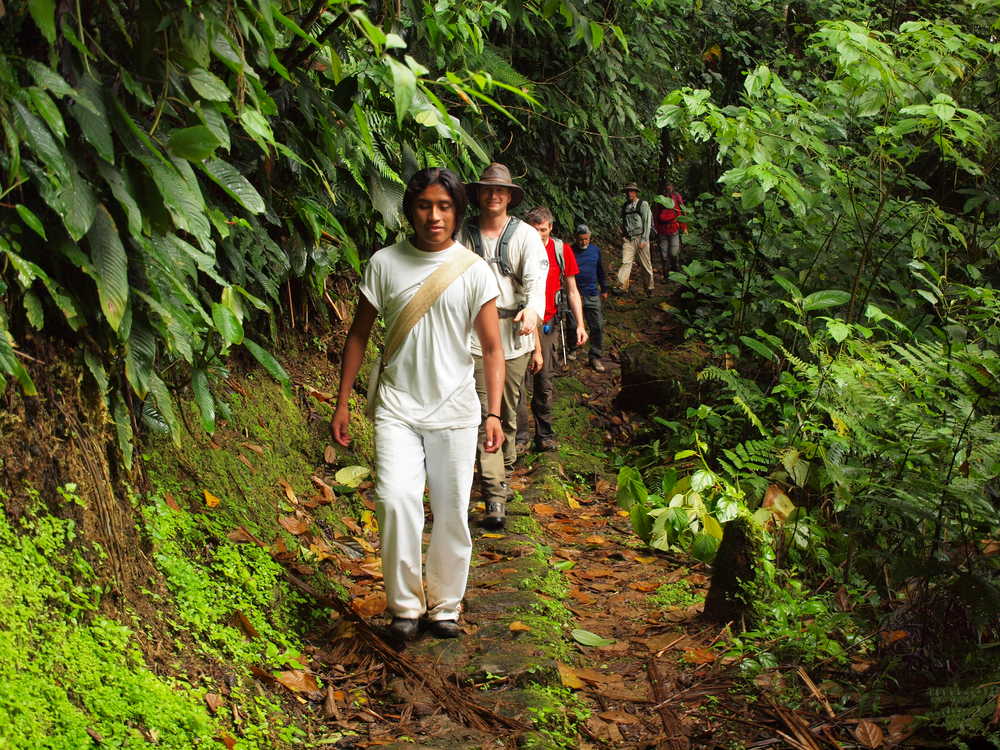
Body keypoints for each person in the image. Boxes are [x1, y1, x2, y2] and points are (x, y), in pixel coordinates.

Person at [331, 167, 505, 642]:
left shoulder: (473, 270)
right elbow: (359, 334)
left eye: (444, 206)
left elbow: (492, 348)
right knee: (395, 499)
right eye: (425, 205)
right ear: (410, 210)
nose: (434, 215)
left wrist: (493, 412)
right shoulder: (385, 263)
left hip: (455, 409)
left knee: (450, 509)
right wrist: (342, 402)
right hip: (397, 407)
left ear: (457, 213)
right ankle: (405, 606)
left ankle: (445, 606)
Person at [462, 163, 547, 529]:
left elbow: (537, 282)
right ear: (479, 195)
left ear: (510, 196)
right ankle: (494, 494)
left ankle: (503, 471)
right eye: (487, 189)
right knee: (487, 414)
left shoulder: (526, 236)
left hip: (514, 338)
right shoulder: (462, 234)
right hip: (473, 338)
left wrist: (533, 312)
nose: (494, 195)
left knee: (508, 413)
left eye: (501, 190)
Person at [516, 207, 587, 452]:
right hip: (520, 324)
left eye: (542, 230)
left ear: (550, 228)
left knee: (543, 380)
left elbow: (572, 289)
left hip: (547, 325)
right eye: (533, 230)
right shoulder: (517, 247)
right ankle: (520, 437)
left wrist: (580, 323)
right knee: (517, 382)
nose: (538, 235)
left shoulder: (560, 250)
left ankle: (544, 434)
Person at [571, 224, 608, 372]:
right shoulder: (570, 251)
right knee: (573, 325)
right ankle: (573, 348)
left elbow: (600, 270)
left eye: (586, 239)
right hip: (575, 294)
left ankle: (595, 356)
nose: (584, 242)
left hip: (592, 292)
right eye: (581, 239)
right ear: (576, 238)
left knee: (597, 325)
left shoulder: (595, 251)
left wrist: (604, 288)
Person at [616, 182, 653, 293]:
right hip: (629, 239)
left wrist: (645, 239)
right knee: (625, 262)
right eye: (627, 191)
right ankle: (622, 286)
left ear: (636, 192)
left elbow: (647, 222)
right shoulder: (624, 206)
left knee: (645, 265)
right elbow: (622, 223)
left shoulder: (643, 204)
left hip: (641, 237)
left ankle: (649, 288)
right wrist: (623, 236)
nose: (629, 193)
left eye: (631, 191)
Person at [654, 182, 685, 275]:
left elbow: (681, 212)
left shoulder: (676, 197)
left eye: (670, 187)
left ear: (672, 188)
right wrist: (655, 229)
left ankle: (675, 269)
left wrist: (684, 227)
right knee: (664, 254)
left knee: (674, 252)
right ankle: (666, 274)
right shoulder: (660, 199)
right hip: (662, 230)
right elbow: (656, 215)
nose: (668, 189)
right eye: (666, 187)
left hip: (674, 228)